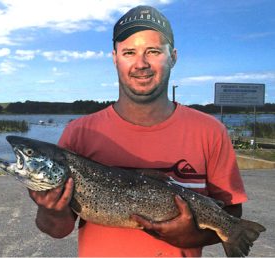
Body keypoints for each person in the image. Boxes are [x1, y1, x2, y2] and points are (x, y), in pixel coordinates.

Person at [28, 5, 248, 257]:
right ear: (115, 58)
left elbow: (231, 214)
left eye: (153, 51)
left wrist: (191, 237)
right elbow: (57, 230)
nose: (141, 63)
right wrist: (49, 210)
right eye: (129, 52)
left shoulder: (210, 131)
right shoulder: (78, 133)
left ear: (173, 56)